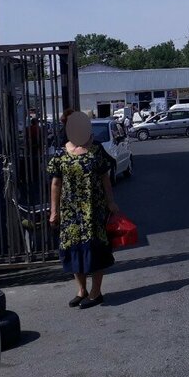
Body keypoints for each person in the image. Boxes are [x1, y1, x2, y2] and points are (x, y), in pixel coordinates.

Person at [48, 110, 120, 308]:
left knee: (95, 250)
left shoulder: (96, 150)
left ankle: (96, 293)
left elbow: (105, 178)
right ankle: (81, 290)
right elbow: (55, 183)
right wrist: (54, 211)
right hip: (70, 211)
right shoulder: (61, 153)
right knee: (73, 249)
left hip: (93, 209)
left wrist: (111, 202)